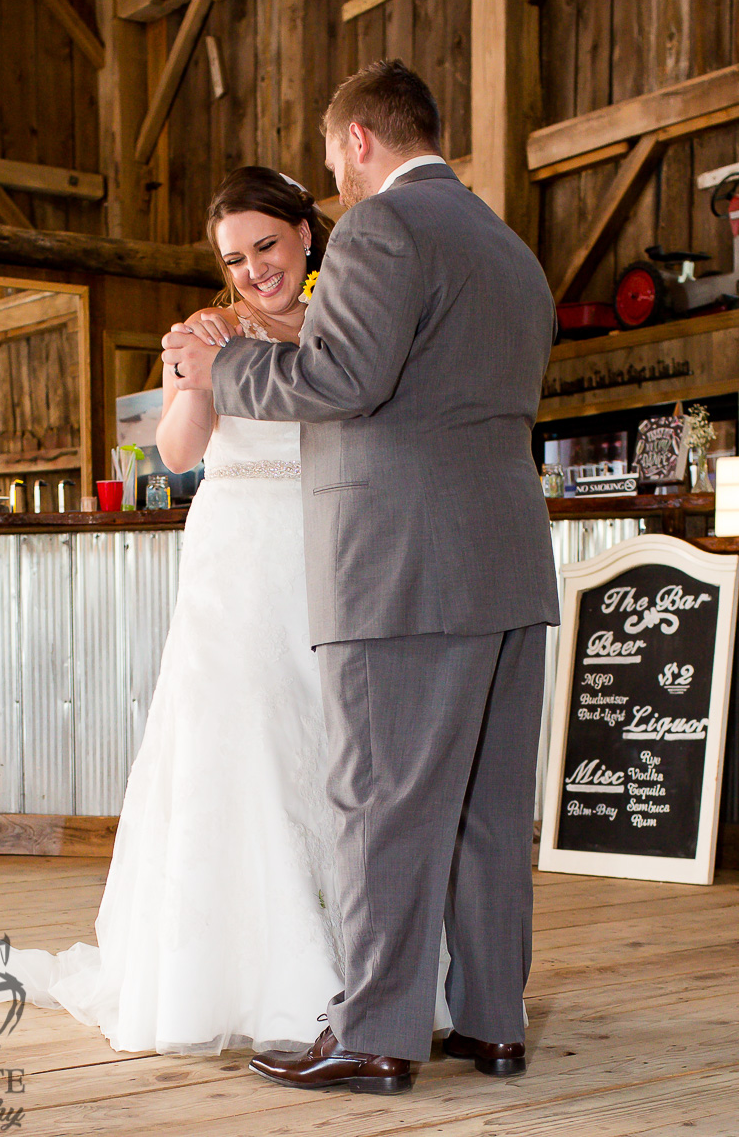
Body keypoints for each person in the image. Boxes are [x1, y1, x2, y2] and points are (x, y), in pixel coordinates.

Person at [0, 165, 452, 1057]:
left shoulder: (351, 320)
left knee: (339, 751)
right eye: (235, 257)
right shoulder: (211, 331)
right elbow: (177, 453)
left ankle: (361, 964)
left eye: (267, 246)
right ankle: (243, 972)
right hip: (237, 558)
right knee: (237, 745)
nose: (255, 271)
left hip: (337, 548)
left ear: (304, 233)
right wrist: (191, 374)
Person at [163, 59, 560, 1095]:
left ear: (353, 141)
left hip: (400, 565)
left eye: (331, 158)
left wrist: (222, 370)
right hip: (507, 562)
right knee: (484, 807)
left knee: (381, 799)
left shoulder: (385, 227)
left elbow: (345, 380)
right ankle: (490, 1020)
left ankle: (376, 1030)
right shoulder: (507, 245)